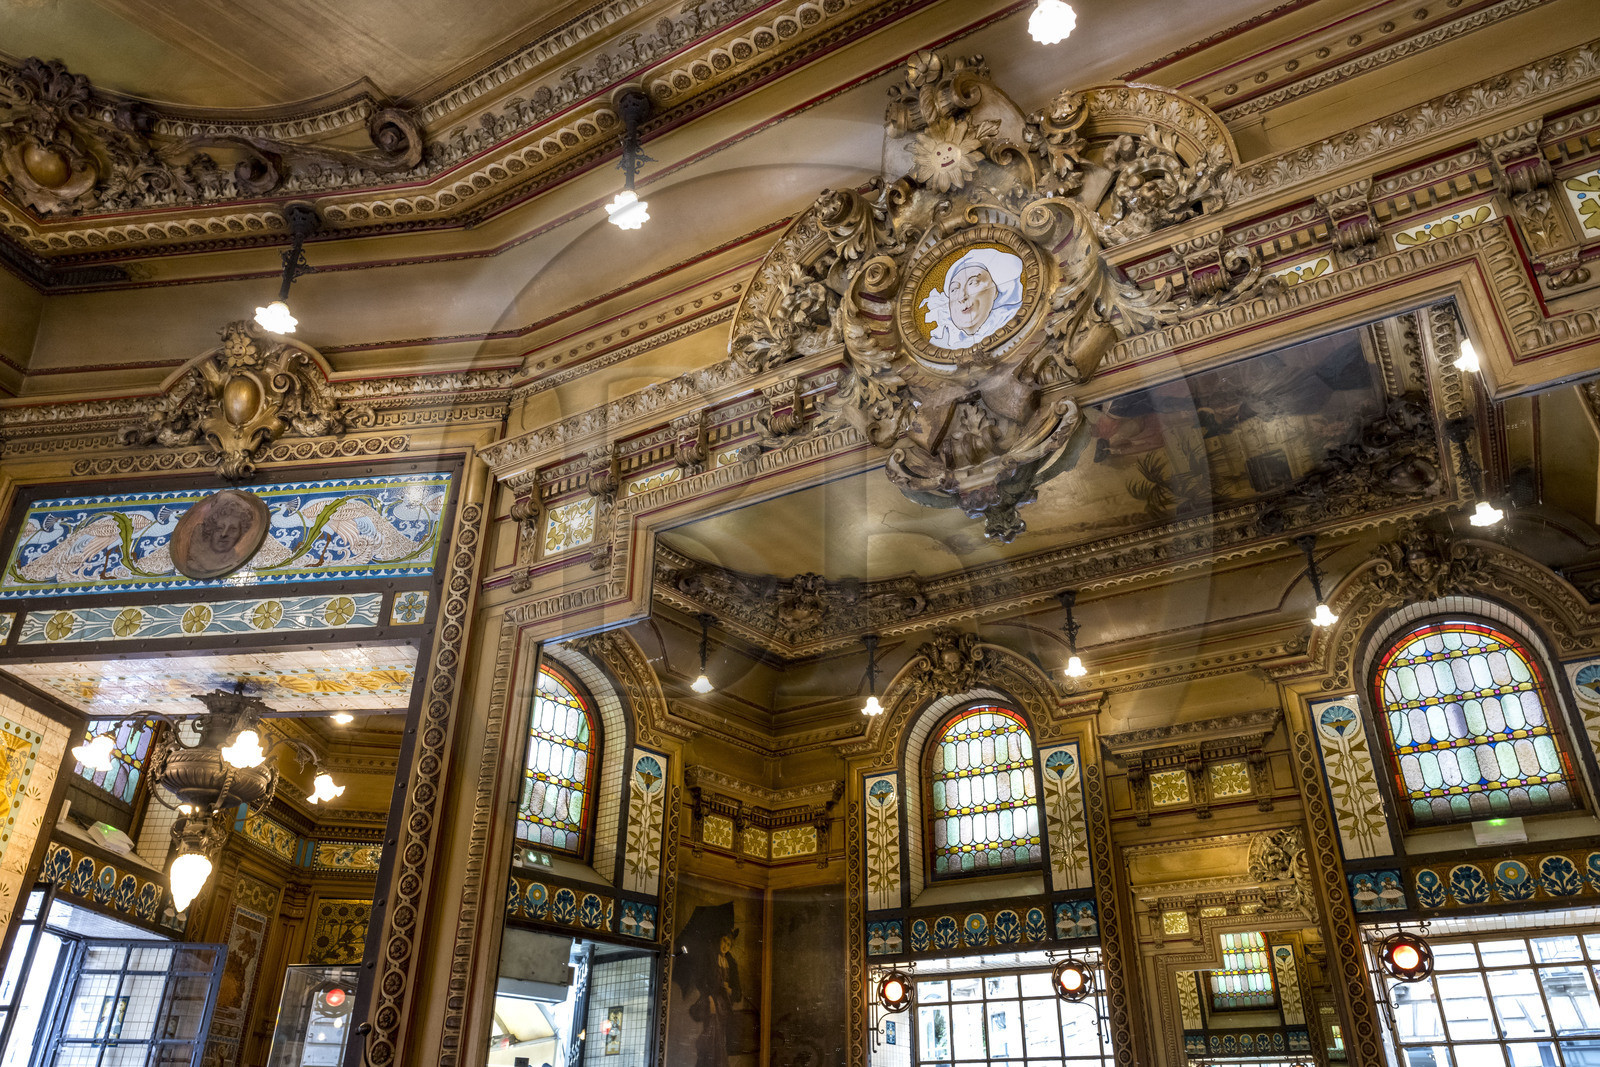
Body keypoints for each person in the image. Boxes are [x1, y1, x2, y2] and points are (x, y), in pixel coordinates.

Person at [922, 246, 1025, 350]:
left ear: (995, 291)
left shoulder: (1014, 318)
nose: (962, 296)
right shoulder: (940, 341)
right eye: (954, 289)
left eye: (973, 283)